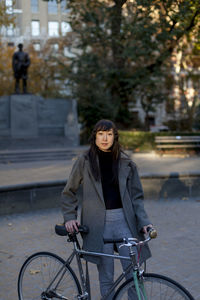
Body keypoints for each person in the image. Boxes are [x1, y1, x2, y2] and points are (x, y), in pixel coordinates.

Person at [61, 119, 152, 299]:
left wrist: (144, 222)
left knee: (134, 273)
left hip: (125, 222)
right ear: (94, 136)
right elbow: (68, 192)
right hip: (98, 225)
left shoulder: (126, 163)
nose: (105, 138)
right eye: (101, 134)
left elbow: (137, 197)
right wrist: (69, 217)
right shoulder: (84, 161)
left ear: (114, 137)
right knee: (106, 277)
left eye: (109, 134)